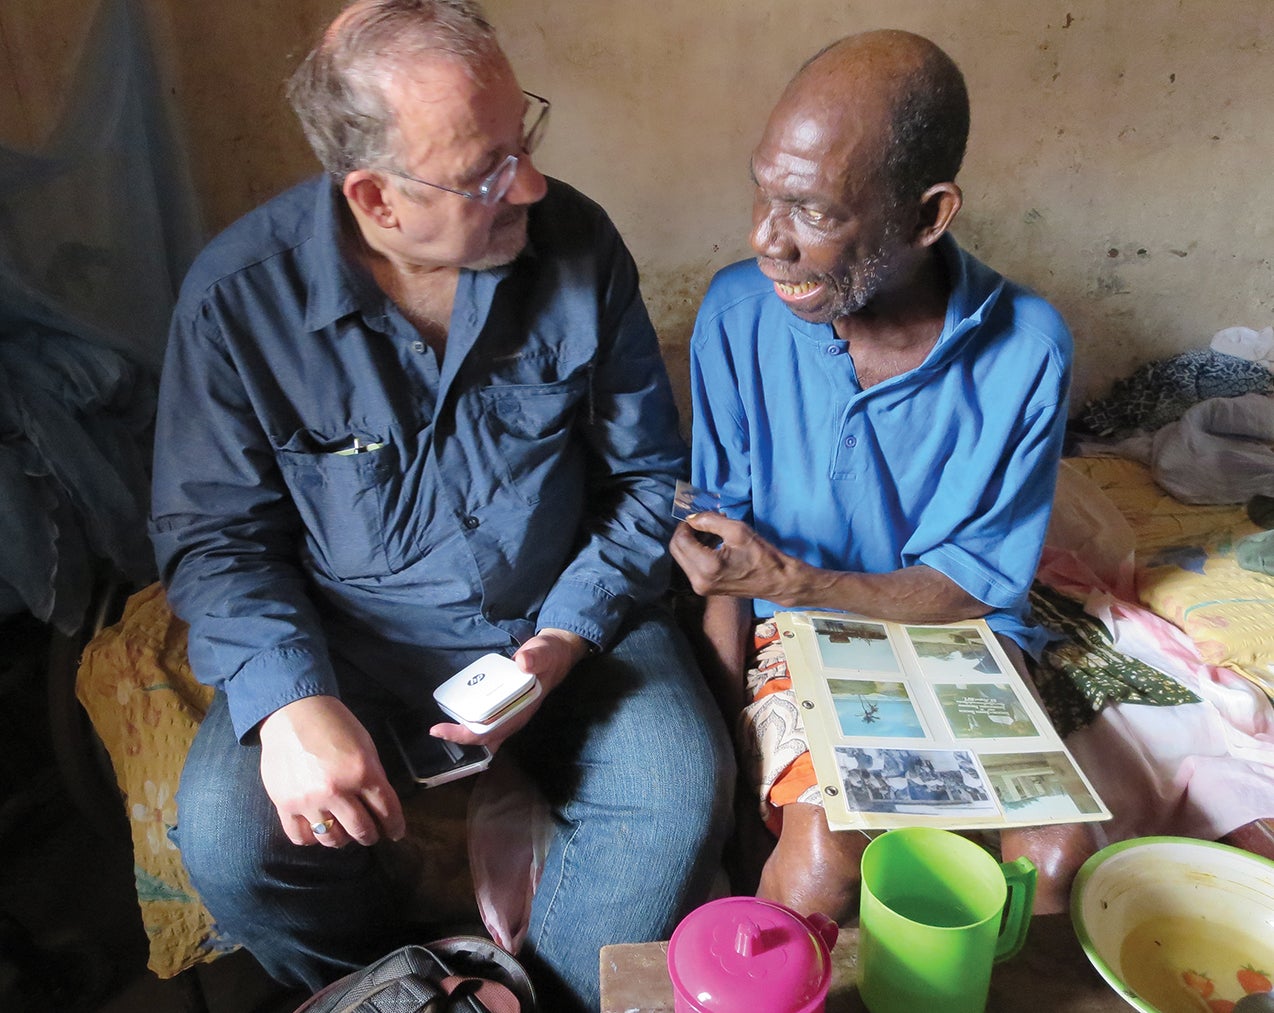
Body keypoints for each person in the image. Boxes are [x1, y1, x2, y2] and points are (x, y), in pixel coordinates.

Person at [148, 2, 733, 1009]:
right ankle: (398, 984)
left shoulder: (578, 246)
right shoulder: (238, 299)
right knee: (226, 839)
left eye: (525, 141)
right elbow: (213, 534)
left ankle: (535, 995)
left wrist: (566, 635)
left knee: (680, 788)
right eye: (486, 171)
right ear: (375, 197)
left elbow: (646, 480)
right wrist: (292, 698)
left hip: (562, 615)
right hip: (353, 638)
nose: (534, 185)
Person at [670, 29, 1093, 920]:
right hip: (799, 635)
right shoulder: (738, 313)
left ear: (928, 215)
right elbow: (726, 567)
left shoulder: (1026, 348)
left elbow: (975, 586)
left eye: (814, 212)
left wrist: (798, 577)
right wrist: (721, 760)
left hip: (956, 632)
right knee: (823, 854)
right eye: (763, 191)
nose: (765, 239)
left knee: (1056, 865)